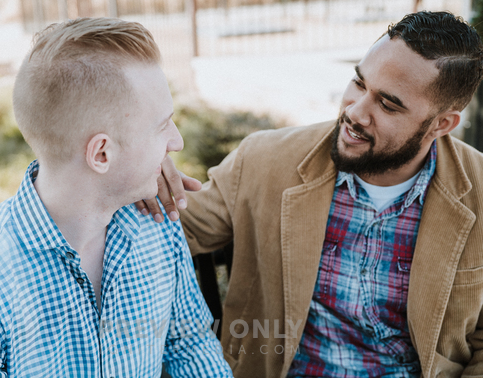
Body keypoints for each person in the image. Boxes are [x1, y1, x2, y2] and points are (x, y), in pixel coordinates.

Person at [137, 11, 483, 377]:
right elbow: (171, 225)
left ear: (442, 124)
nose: (355, 111)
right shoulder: (264, 160)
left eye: (387, 104)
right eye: (359, 83)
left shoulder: (477, 192)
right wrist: (137, 169)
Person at [0, 18, 232, 377]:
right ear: (101, 154)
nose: (176, 142)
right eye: (162, 126)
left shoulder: (156, 224)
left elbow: (189, 344)